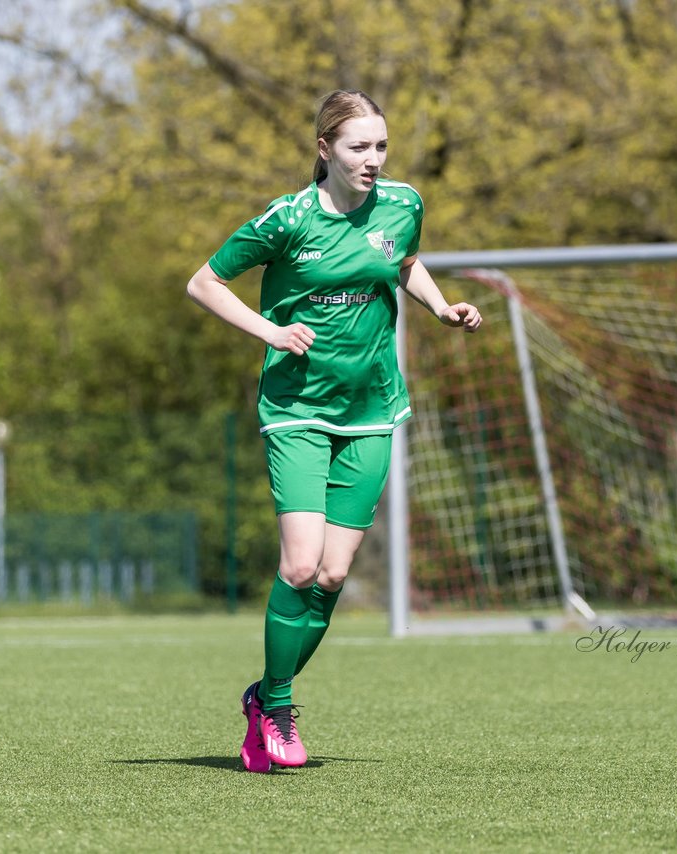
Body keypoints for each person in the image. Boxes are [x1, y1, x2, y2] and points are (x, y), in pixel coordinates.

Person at [186, 90, 482, 772]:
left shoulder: (404, 204)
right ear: (325, 150)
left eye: (380, 146)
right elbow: (204, 282)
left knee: (335, 572)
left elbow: (404, 262)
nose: (373, 160)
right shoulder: (287, 220)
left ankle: (262, 697)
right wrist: (269, 331)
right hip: (297, 411)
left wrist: (440, 308)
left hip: (372, 408)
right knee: (299, 564)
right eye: (358, 147)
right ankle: (279, 706)